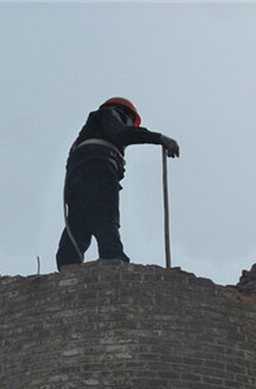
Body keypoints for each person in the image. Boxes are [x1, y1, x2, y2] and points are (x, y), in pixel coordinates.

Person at [56, 97, 180, 270]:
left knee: (79, 220)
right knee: (105, 213)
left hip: (78, 176)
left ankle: (68, 263)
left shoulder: (88, 133)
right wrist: (158, 138)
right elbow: (121, 133)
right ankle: (113, 258)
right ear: (125, 113)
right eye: (130, 121)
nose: (130, 125)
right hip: (98, 168)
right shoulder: (110, 114)